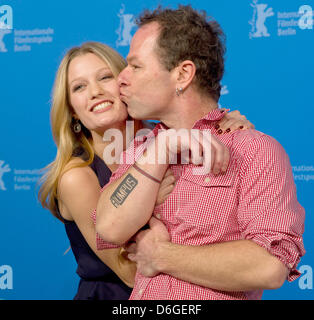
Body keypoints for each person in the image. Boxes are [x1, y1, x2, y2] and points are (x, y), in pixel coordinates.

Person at [95, 5, 305, 300]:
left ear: (183, 74)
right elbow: (109, 227)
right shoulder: (143, 148)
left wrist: (161, 255)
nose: (121, 79)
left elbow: (269, 265)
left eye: (136, 66)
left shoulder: (253, 149)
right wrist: (164, 149)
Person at [38, 41, 252, 300]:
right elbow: (130, 272)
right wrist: (151, 198)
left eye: (105, 77)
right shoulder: (77, 176)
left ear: (126, 84)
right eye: (79, 87)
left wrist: (227, 127)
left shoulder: (166, 137)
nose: (94, 92)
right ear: (72, 111)